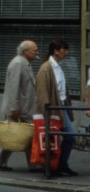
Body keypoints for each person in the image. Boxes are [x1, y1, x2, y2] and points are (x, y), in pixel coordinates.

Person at [34, 38, 77, 177]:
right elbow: (42, 91)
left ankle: (59, 165)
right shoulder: (46, 68)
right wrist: (47, 110)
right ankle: (55, 166)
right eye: (64, 49)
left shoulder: (58, 66)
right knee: (66, 137)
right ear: (56, 51)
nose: (66, 52)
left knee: (61, 138)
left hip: (61, 107)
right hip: (53, 108)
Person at [0, 39, 37, 171]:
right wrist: (14, 107)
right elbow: (14, 87)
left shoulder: (24, 63)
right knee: (19, 134)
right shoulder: (19, 63)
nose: (37, 52)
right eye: (34, 50)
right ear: (25, 51)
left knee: (14, 135)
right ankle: (33, 164)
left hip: (23, 107)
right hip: (20, 108)